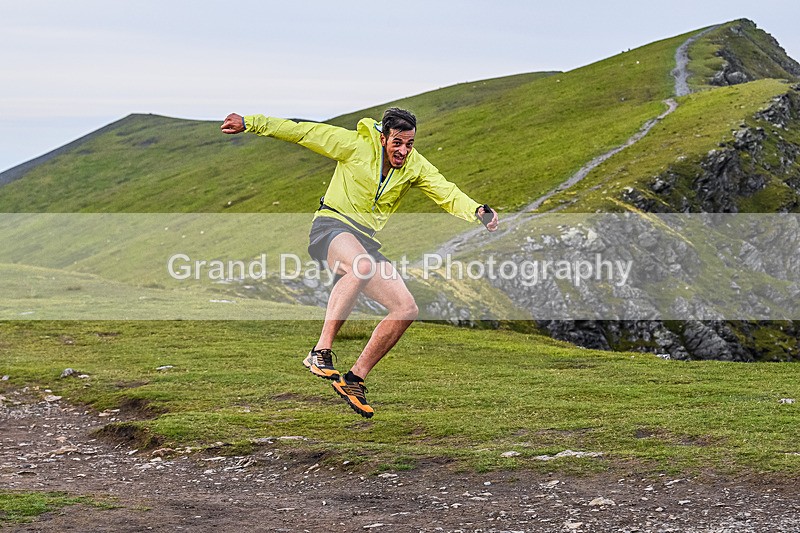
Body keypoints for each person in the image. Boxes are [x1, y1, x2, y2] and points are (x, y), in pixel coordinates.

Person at [221, 108, 498, 417]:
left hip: (363, 239)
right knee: (362, 265)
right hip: (331, 226)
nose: (404, 151)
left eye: (409, 144)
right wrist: (250, 124)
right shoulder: (354, 145)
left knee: (406, 308)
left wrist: (477, 211)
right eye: (397, 143)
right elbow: (301, 132)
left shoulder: (414, 166)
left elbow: (445, 191)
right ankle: (320, 352)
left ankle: (355, 378)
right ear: (383, 139)